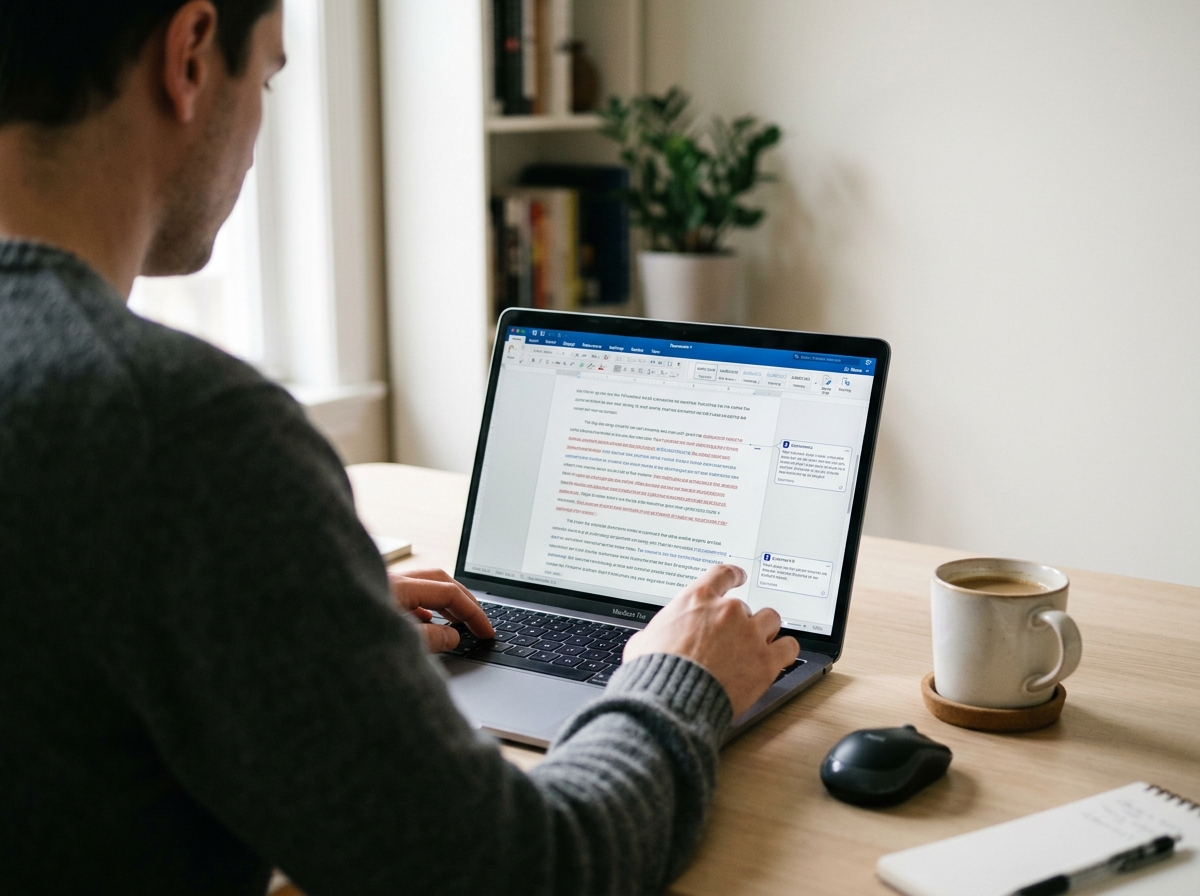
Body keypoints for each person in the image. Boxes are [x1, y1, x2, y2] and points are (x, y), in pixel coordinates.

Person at [0, 2, 799, 893]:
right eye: (265, 76)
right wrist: (676, 677)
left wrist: (295, 613)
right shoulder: (183, 429)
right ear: (188, 56)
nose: (260, 131)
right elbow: (525, 871)